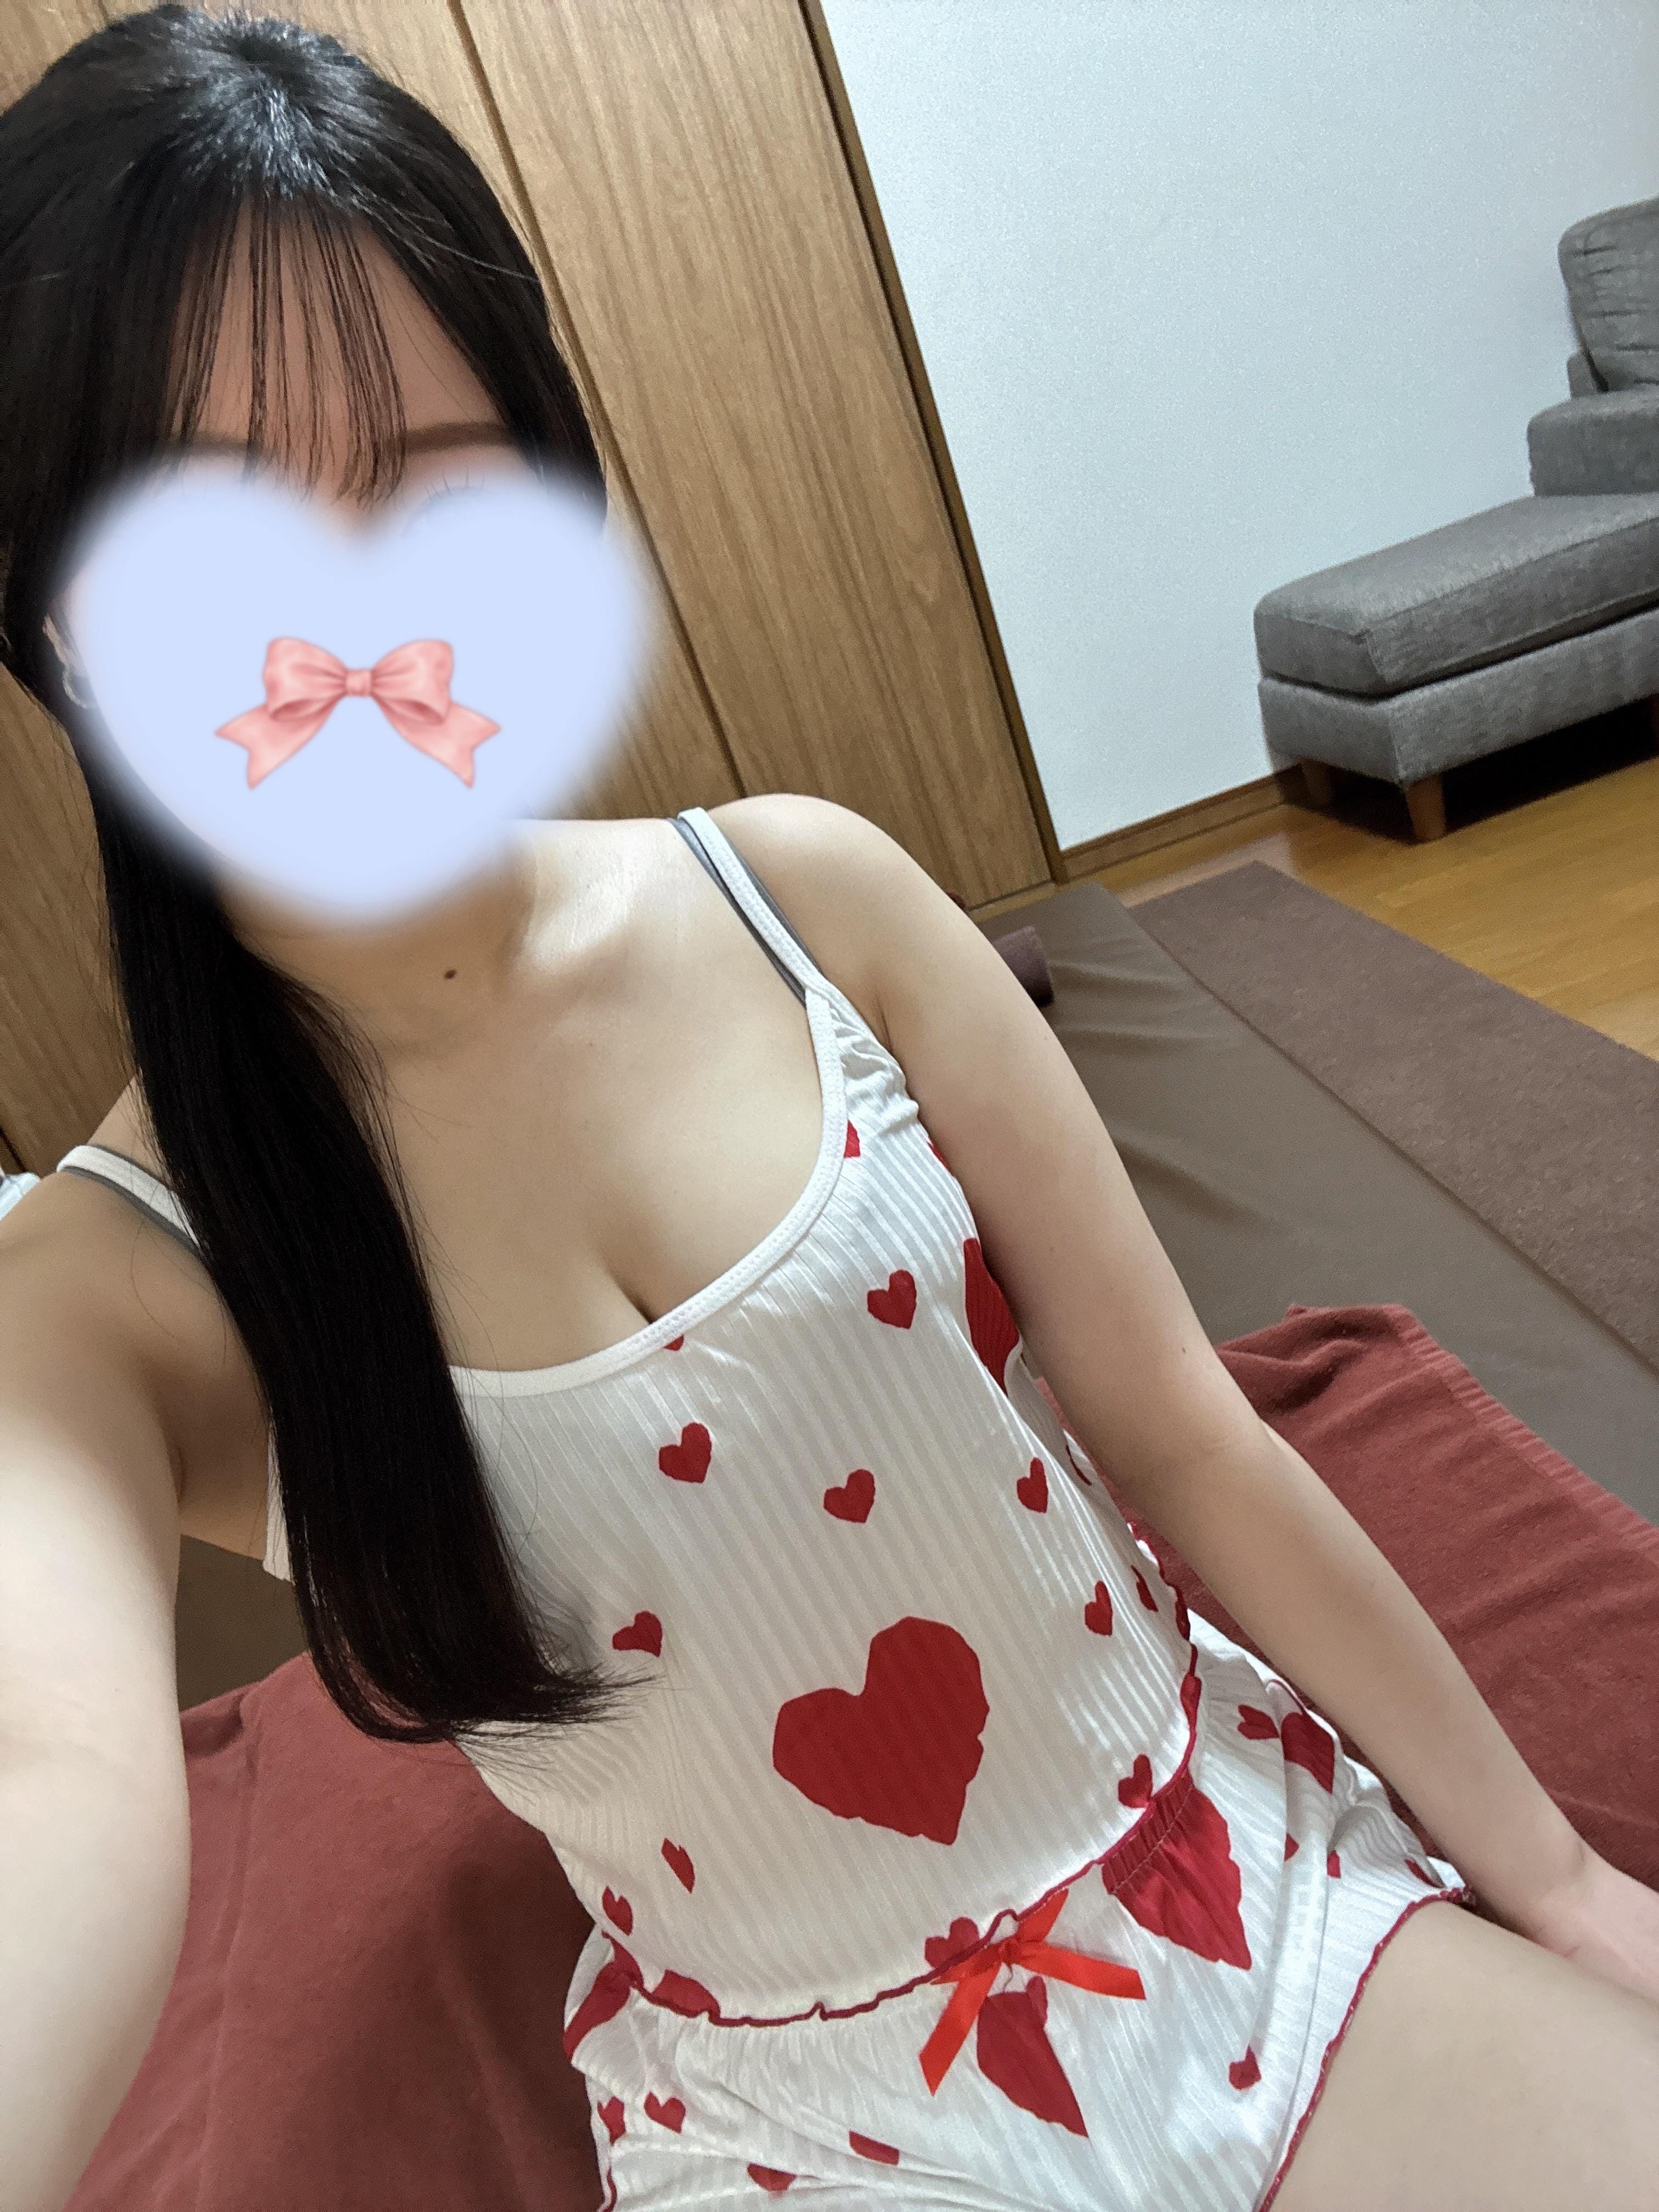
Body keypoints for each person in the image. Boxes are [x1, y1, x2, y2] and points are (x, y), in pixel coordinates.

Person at [2, 11, 1657, 2212]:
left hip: (1218, 1876)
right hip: (800, 2122)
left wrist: (1557, 1881)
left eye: (434, 481)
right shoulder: (109, 1282)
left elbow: (1182, 1430)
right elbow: (55, 1782)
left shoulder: (812, 898)